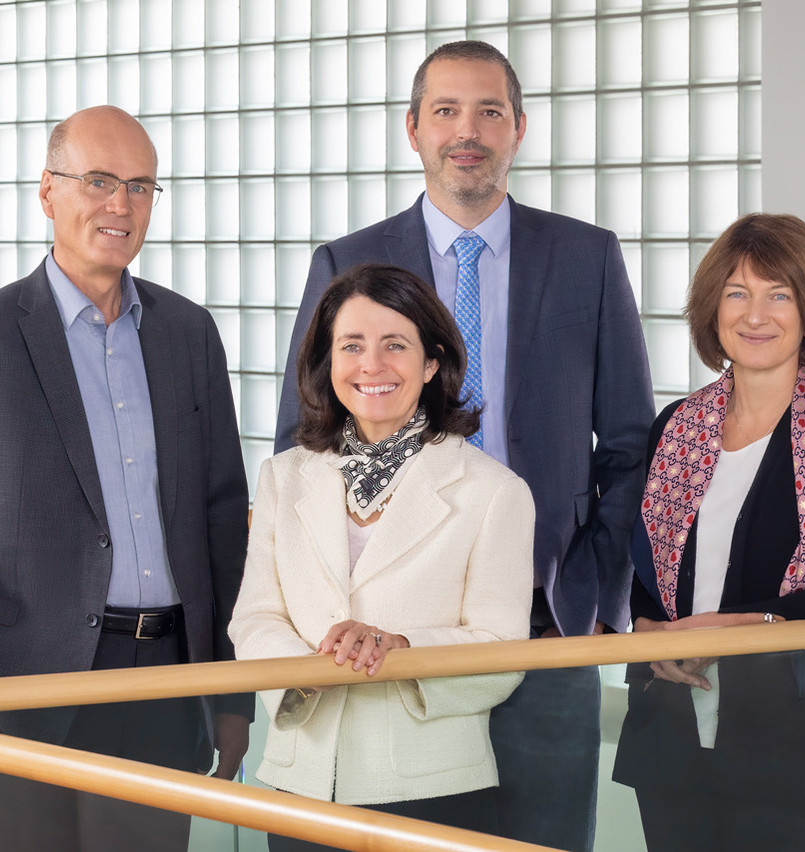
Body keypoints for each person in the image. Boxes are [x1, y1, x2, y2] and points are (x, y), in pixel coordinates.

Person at [273, 40, 655, 851]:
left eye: (488, 111)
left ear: (519, 127)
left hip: (542, 620)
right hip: (390, 629)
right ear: (412, 129)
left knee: (542, 838)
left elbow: (627, 444)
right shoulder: (349, 262)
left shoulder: (585, 258)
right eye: (445, 110)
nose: (466, 130)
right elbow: (303, 445)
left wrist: (588, 592)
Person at [0, 105, 252, 852]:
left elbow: (219, 521)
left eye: (140, 186)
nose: (120, 204)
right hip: (24, 691)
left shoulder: (188, 334)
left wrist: (228, 693)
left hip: (164, 684)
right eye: (100, 180)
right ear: (48, 191)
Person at [612, 213, 805, 851]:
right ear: (712, 309)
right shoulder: (676, 425)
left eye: (779, 294)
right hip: (667, 724)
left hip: (786, 729)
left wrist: (758, 625)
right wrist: (647, 635)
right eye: (737, 293)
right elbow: (638, 565)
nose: (756, 315)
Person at [231, 263, 534, 850]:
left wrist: (400, 647)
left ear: (431, 363)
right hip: (303, 784)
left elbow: (502, 651)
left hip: (433, 790)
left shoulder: (495, 491)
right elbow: (255, 618)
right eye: (352, 346)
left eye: (395, 345)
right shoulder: (283, 477)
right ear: (329, 363)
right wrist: (311, 673)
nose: (371, 365)